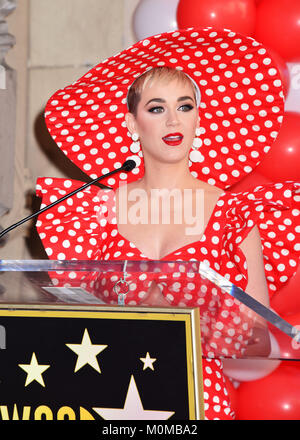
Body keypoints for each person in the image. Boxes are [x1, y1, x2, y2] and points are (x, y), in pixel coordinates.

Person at [35, 28, 299, 419]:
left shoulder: (234, 212)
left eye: (185, 106)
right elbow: (73, 318)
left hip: (198, 395)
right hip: (105, 390)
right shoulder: (93, 210)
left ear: (198, 119)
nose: (173, 119)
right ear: (131, 122)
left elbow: (253, 332)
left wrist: (184, 314)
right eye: (157, 108)